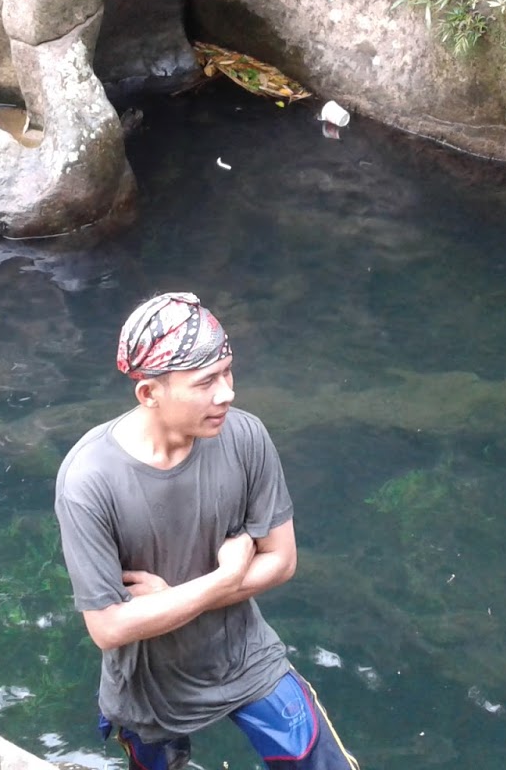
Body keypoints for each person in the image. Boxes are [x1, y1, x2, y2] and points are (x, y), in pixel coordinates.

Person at [54, 292, 360, 770]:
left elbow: (282, 560)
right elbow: (109, 627)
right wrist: (222, 580)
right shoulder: (89, 480)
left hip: (244, 654)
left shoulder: (246, 436)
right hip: (148, 681)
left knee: (318, 761)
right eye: (205, 383)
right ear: (149, 394)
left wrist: (173, 597)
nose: (226, 394)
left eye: (227, 372)